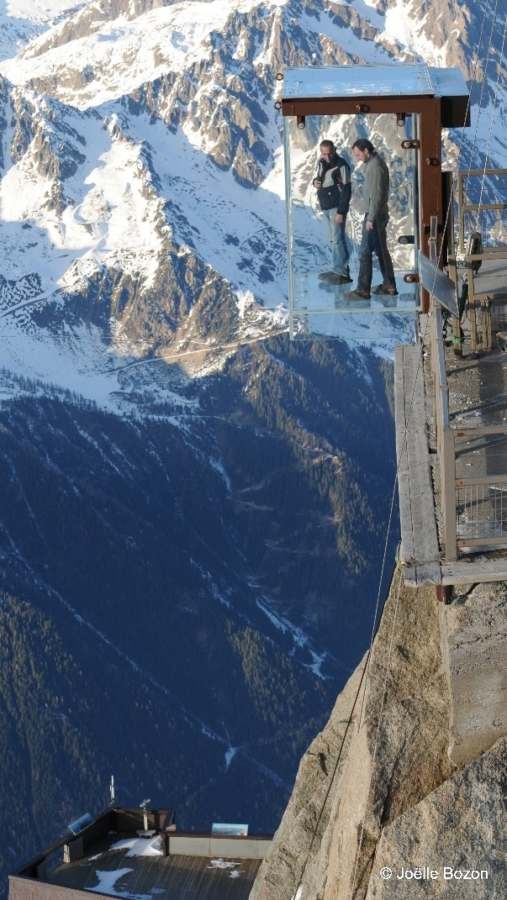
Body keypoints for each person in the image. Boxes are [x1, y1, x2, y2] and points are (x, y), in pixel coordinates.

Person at [347, 138, 397, 300]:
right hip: (377, 214)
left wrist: (370, 218)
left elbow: (376, 196)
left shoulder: (374, 168)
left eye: (358, 154)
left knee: (365, 251)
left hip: (374, 216)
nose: (357, 157)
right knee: (381, 251)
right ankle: (389, 285)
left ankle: (363, 290)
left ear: (366, 151)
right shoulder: (374, 164)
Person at [312, 140, 352, 285]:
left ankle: (342, 273)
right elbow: (319, 177)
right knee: (332, 239)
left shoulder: (341, 165)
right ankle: (336, 269)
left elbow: (347, 189)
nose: (327, 156)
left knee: (337, 239)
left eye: (329, 153)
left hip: (336, 206)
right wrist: (315, 182)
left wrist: (341, 211)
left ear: (334, 150)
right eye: (324, 153)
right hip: (326, 205)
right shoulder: (321, 162)